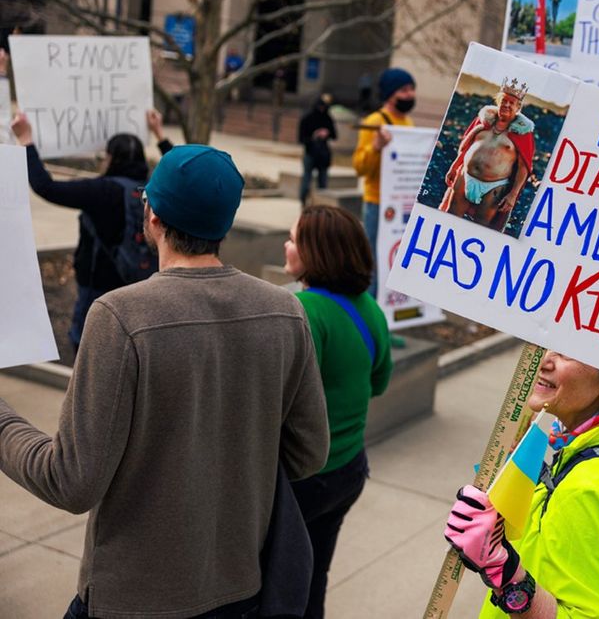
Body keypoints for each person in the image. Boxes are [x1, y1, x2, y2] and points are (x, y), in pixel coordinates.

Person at [0, 143, 329, 617]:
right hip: (240, 590)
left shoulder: (120, 316)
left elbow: (70, 481)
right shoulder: (285, 312)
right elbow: (309, 453)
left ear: (152, 216)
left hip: (132, 598)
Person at [444, 350, 599, 617]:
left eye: (569, 353)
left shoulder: (590, 491)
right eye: (549, 345)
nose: (545, 360)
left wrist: (503, 571)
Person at [283, 205, 393, 618]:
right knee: (314, 577)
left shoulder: (304, 311)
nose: (287, 246)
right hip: (349, 471)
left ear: (317, 252)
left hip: (303, 479)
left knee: (277, 584)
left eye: (294, 239)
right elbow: (379, 383)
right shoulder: (370, 309)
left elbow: (282, 400)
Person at [11, 110, 173, 351]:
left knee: (90, 347)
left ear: (110, 158)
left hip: (97, 290)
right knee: (131, 348)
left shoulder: (100, 191)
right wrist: (159, 134)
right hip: (140, 286)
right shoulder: (154, 190)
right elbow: (182, 172)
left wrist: (26, 140)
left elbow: (46, 187)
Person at [438, 77, 534, 230]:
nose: (506, 105)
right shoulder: (484, 121)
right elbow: (467, 147)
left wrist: (513, 194)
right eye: (504, 101)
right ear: (498, 102)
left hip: (494, 186)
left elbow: (524, 167)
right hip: (465, 176)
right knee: (450, 217)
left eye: (511, 103)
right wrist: (454, 167)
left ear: (518, 108)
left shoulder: (522, 134)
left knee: (480, 227)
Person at [352, 67, 416, 296]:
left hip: (401, 202)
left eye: (412, 89)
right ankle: (370, 303)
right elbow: (360, 167)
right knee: (374, 258)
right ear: (390, 94)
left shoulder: (408, 122)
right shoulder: (374, 121)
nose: (410, 95)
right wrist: (376, 147)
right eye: (404, 90)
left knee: (394, 257)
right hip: (377, 202)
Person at [298, 93, 338, 205]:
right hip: (310, 152)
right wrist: (314, 136)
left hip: (323, 154)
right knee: (306, 179)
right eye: (320, 107)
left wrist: (327, 133)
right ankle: (303, 201)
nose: (322, 109)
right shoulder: (307, 118)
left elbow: (334, 135)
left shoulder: (327, 118)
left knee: (323, 182)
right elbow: (301, 139)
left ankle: (321, 204)